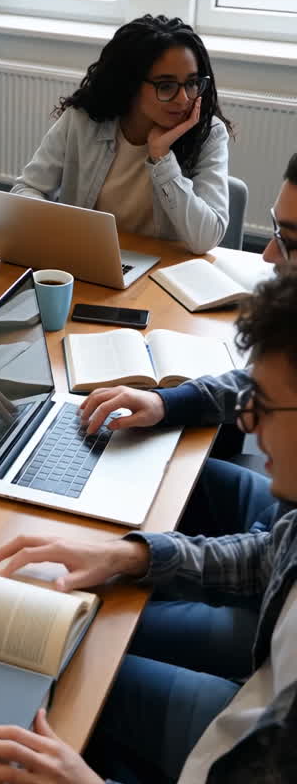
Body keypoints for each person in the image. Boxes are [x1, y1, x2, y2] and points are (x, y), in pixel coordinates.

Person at [0, 268, 297, 784]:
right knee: (74, 672)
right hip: (247, 743)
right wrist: (130, 553)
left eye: (263, 403)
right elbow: (271, 552)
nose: (247, 422)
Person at [76, 153, 297, 679]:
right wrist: (166, 402)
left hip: (270, 630)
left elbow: (269, 565)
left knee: (90, 631)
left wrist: (142, 558)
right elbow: (277, 555)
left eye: (290, 239)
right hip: (277, 540)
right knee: (156, 478)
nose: (268, 256)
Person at [11, 14, 231, 255]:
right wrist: (60, 231)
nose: (184, 99)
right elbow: (27, 189)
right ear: (131, 84)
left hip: (162, 271)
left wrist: (162, 159)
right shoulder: (83, 119)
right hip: (86, 259)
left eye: (191, 83)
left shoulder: (208, 134)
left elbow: (206, 238)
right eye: (166, 86)